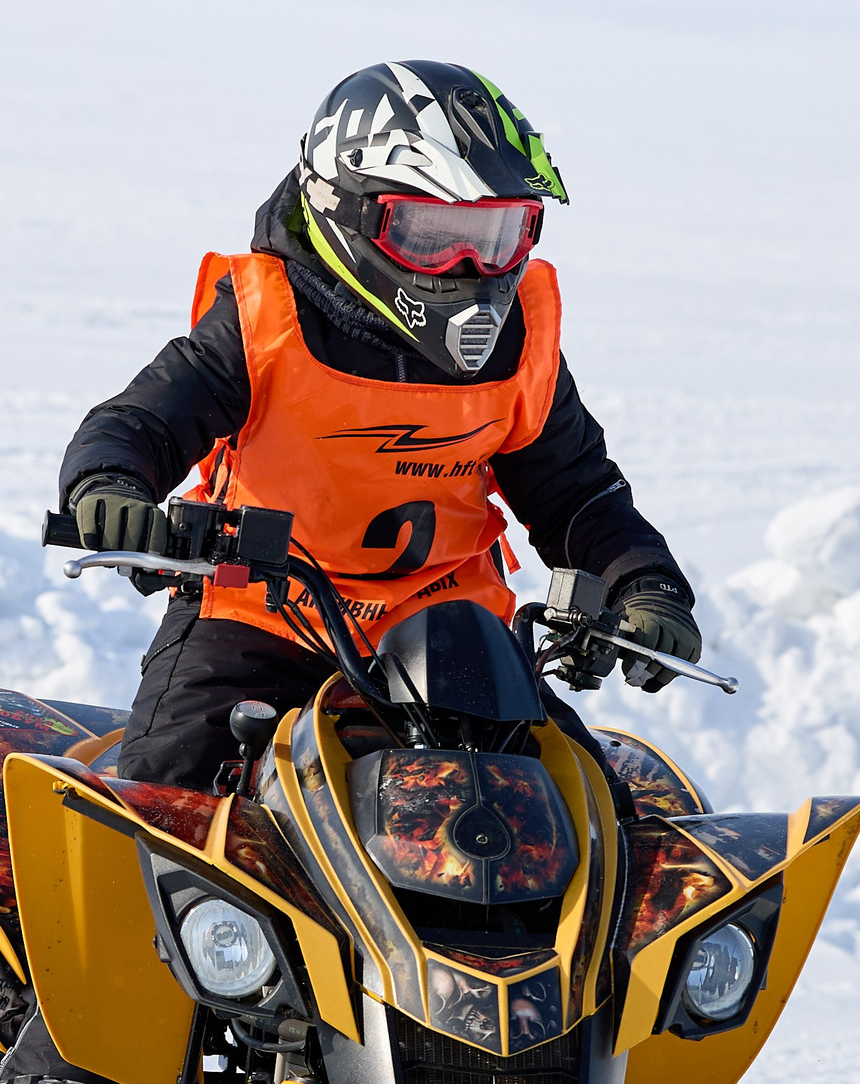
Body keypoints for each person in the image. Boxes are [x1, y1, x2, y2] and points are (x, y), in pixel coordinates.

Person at [56, 59, 702, 794]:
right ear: (345, 211)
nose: (471, 271)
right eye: (434, 235)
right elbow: (141, 419)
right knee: (167, 796)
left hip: (451, 632)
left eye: (498, 238)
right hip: (260, 614)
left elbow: (577, 493)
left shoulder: (520, 344)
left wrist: (644, 585)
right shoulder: (265, 322)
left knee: (585, 806)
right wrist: (108, 484)